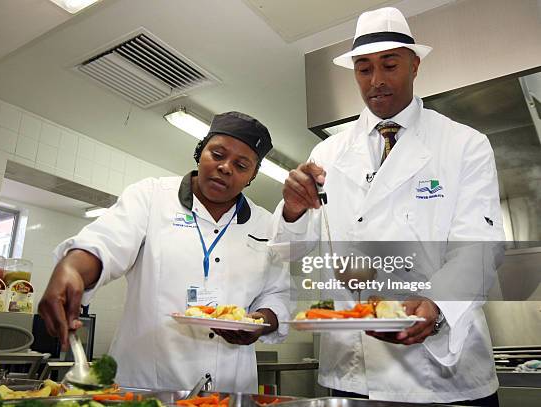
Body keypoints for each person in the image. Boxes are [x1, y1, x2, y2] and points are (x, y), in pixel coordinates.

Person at [271, 7, 504, 406]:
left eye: (389, 65)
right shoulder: (328, 152)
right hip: (353, 368)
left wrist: (436, 303)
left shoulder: (465, 144)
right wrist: (292, 210)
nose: (376, 81)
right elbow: (289, 250)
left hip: (443, 374)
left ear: (414, 65)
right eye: (364, 69)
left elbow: (480, 245)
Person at [39, 111, 291, 393]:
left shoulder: (266, 225)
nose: (225, 167)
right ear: (200, 151)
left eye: (241, 165)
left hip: (230, 387)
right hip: (147, 385)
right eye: (217, 154)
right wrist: (72, 268)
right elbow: (106, 243)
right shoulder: (151, 197)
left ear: (251, 176)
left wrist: (261, 321)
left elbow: (277, 294)